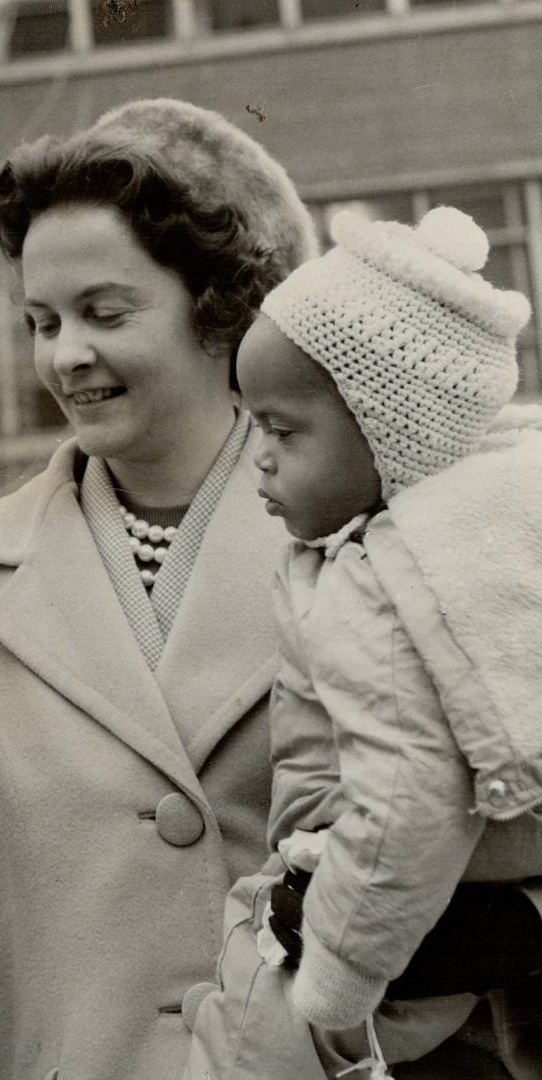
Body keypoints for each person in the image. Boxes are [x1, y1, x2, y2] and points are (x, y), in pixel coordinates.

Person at [0, 98, 542, 1080]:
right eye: (42, 321)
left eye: (104, 312)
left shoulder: (400, 547)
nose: (63, 355)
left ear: (220, 307)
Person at [184, 206, 542, 1079]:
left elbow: (405, 803)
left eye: (282, 430)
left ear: (394, 432)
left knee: (251, 1015)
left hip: (435, 905)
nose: (256, 460)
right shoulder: (489, 507)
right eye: (249, 425)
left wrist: (336, 981)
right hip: (488, 903)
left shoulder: (386, 581)